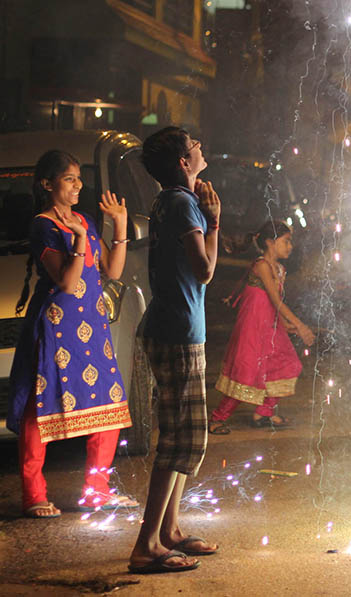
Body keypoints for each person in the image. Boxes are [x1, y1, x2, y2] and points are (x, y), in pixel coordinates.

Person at [8, 150, 138, 518]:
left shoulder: (84, 220)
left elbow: (110, 271)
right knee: (41, 408)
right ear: (47, 184)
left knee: (108, 404)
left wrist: (120, 225)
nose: (78, 185)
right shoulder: (42, 226)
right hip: (56, 328)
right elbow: (66, 282)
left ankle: (97, 489)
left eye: (79, 178)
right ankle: (34, 494)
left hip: (92, 327)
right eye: (69, 178)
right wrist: (79, 240)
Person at [128, 127, 220, 574]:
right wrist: (216, 221)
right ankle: (147, 544)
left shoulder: (168, 199)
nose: (201, 146)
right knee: (180, 438)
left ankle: (170, 531)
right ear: (185, 161)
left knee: (183, 435)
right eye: (194, 144)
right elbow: (204, 271)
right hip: (178, 329)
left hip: (171, 324)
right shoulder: (185, 204)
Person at [208, 220, 315, 434]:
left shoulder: (279, 268)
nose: (290, 246)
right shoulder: (262, 266)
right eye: (285, 241)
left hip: (271, 329)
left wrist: (286, 325)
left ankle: (264, 412)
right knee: (246, 374)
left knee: (287, 365)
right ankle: (217, 419)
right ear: (269, 242)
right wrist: (300, 326)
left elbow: (270, 304)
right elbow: (276, 301)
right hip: (252, 329)